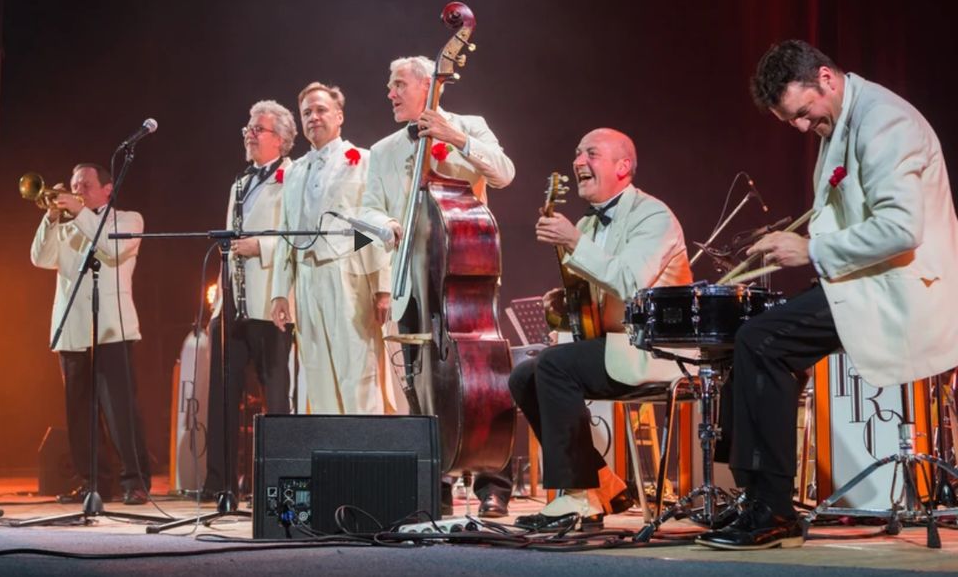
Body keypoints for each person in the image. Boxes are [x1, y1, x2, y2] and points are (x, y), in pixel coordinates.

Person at [696, 40, 958, 550]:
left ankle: (770, 509)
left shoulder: (884, 121)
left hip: (905, 288)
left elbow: (902, 229)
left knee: (762, 340)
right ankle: (757, 501)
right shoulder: (845, 117)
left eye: (801, 112)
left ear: (827, 78)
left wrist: (812, 249)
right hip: (867, 281)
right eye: (789, 120)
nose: (799, 127)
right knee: (750, 339)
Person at [510, 127, 693, 531]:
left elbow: (630, 282)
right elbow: (599, 297)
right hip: (616, 345)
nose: (578, 162)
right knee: (524, 374)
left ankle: (575, 495)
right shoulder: (589, 226)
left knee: (556, 365)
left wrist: (575, 241)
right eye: (577, 153)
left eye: (590, 153)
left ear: (623, 166)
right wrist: (564, 300)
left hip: (657, 349)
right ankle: (604, 485)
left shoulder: (653, 215)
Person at [361, 55, 517, 517]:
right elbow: (368, 206)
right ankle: (436, 484)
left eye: (398, 85)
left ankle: (494, 482)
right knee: (418, 382)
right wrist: (386, 222)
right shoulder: (383, 149)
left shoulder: (472, 124)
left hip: (464, 276)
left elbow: (504, 174)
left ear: (430, 85)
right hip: (411, 280)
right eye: (389, 86)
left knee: (487, 381)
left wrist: (458, 139)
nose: (389, 93)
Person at [30, 163, 150, 505]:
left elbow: (111, 249)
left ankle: (135, 481)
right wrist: (51, 218)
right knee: (79, 414)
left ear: (107, 189)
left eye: (84, 184)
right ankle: (94, 482)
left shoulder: (128, 220)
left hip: (113, 329)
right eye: (73, 185)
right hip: (72, 330)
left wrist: (79, 211)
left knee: (119, 410)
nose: (76, 190)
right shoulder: (68, 227)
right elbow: (40, 259)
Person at [270, 82, 387, 414]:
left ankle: (367, 457)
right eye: (307, 112)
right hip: (307, 278)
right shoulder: (293, 172)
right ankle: (333, 459)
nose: (313, 117)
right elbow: (285, 232)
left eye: (321, 110)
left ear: (339, 116)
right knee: (318, 374)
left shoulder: (363, 160)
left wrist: (382, 286)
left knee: (357, 370)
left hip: (348, 275)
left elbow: (377, 223)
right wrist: (281, 291)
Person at [203, 100, 296, 499]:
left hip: (270, 302)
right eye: (248, 126)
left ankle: (275, 482)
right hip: (234, 303)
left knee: (276, 395)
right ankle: (219, 482)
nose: (249, 133)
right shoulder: (240, 182)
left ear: (281, 139)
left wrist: (260, 246)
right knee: (223, 395)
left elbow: (297, 236)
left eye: (258, 128)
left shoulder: (293, 177)